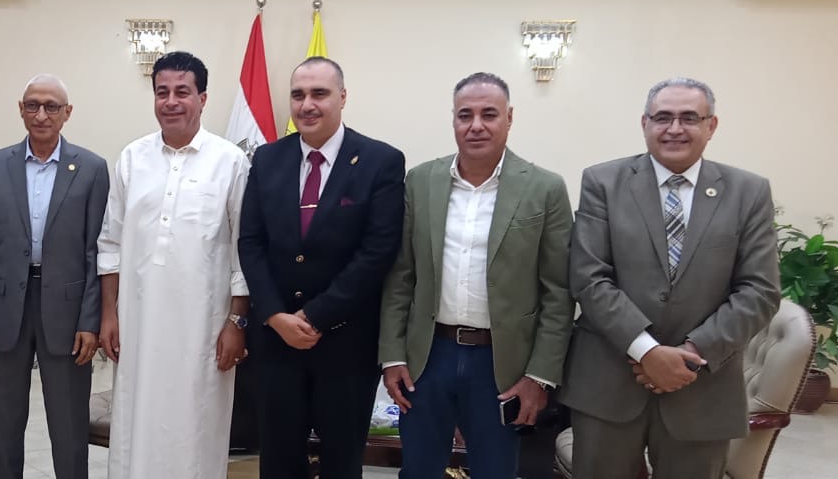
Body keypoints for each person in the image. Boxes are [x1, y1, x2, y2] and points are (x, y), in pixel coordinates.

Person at [561, 77, 780, 479]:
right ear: (644, 123)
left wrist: (691, 354)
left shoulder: (748, 192)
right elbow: (589, 277)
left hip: (703, 388)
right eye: (663, 117)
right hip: (609, 385)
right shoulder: (602, 182)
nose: (674, 129)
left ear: (711, 126)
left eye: (689, 118)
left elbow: (759, 290)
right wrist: (647, 351)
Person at [377, 72, 573, 479]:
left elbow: (558, 292)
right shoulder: (420, 181)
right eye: (465, 115)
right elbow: (401, 276)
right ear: (453, 119)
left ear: (509, 118)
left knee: (495, 471)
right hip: (429, 357)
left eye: (489, 114)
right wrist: (392, 356)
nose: (476, 125)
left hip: (501, 365)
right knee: (418, 470)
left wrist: (539, 377)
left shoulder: (545, 188)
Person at [238, 56, 405, 479]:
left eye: (319, 93)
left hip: (346, 345)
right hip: (276, 343)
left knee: (341, 464)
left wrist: (314, 316)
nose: (307, 104)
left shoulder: (380, 161)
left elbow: (377, 251)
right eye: (298, 95)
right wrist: (275, 315)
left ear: (342, 97)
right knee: (278, 462)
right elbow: (251, 243)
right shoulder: (267, 159)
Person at [96, 51, 250, 479]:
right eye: (162, 92)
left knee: (195, 427)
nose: (171, 101)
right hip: (138, 323)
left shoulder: (230, 162)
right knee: (136, 420)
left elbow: (244, 251)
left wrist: (236, 323)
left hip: (203, 327)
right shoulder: (132, 158)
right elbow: (110, 243)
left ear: (203, 98)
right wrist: (109, 313)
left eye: (182, 92)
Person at [0, 74, 109, 479]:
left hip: (67, 310)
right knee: (5, 423)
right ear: (21, 109)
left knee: (69, 424)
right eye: (33, 105)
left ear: (67, 113)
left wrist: (90, 321)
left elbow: (95, 252)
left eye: (51, 106)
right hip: (6, 309)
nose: (41, 114)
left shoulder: (92, 169)